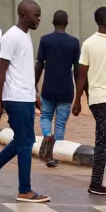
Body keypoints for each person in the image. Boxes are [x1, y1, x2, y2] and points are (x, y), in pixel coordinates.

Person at [0, 0, 48, 203]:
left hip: (24, 96)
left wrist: (35, 94)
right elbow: (1, 73)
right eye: (36, 15)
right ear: (24, 15)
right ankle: (24, 190)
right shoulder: (11, 37)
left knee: (23, 140)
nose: (39, 19)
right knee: (26, 142)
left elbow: (24, 70)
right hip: (15, 98)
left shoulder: (26, 36)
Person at [36, 10, 80, 168]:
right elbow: (77, 69)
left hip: (48, 87)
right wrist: (79, 94)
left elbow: (40, 64)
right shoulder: (74, 42)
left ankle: (47, 137)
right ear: (67, 23)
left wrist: (34, 84)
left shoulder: (45, 40)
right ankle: (55, 155)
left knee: (46, 116)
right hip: (66, 89)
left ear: (53, 22)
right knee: (60, 123)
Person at [73, 7, 106, 196]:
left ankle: (97, 182)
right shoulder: (89, 43)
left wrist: (78, 100)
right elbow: (82, 75)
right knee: (102, 142)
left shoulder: (88, 43)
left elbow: (81, 75)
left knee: (103, 140)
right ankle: (95, 184)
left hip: (96, 100)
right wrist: (76, 100)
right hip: (101, 99)